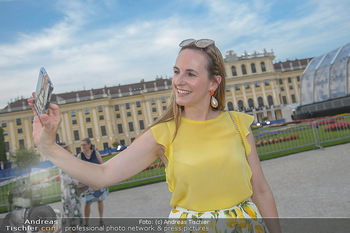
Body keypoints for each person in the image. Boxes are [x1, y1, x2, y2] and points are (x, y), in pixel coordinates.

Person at [28, 38, 281, 233]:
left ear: (213, 83)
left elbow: (261, 190)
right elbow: (101, 176)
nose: (178, 81)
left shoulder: (239, 124)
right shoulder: (164, 132)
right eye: (176, 71)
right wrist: (48, 147)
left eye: (190, 74)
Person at [77, 138, 108, 226]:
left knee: (100, 200)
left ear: (89, 145)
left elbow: (101, 164)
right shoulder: (80, 156)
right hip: (87, 183)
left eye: (84, 145)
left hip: (98, 180)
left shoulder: (95, 153)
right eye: (81, 145)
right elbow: (79, 169)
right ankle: (86, 223)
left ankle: (101, 220)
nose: (83, 146)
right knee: (88, 203)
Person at [60, 145, 83, 232]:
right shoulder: (62, 162)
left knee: (76, 209)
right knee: (71, 212)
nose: (71, 152)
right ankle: (74, 230)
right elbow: (64, 176)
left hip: (73, 191)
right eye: (69, 151)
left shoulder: (68, 161)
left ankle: (77, 229)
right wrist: (74, 182)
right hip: (68, 192)